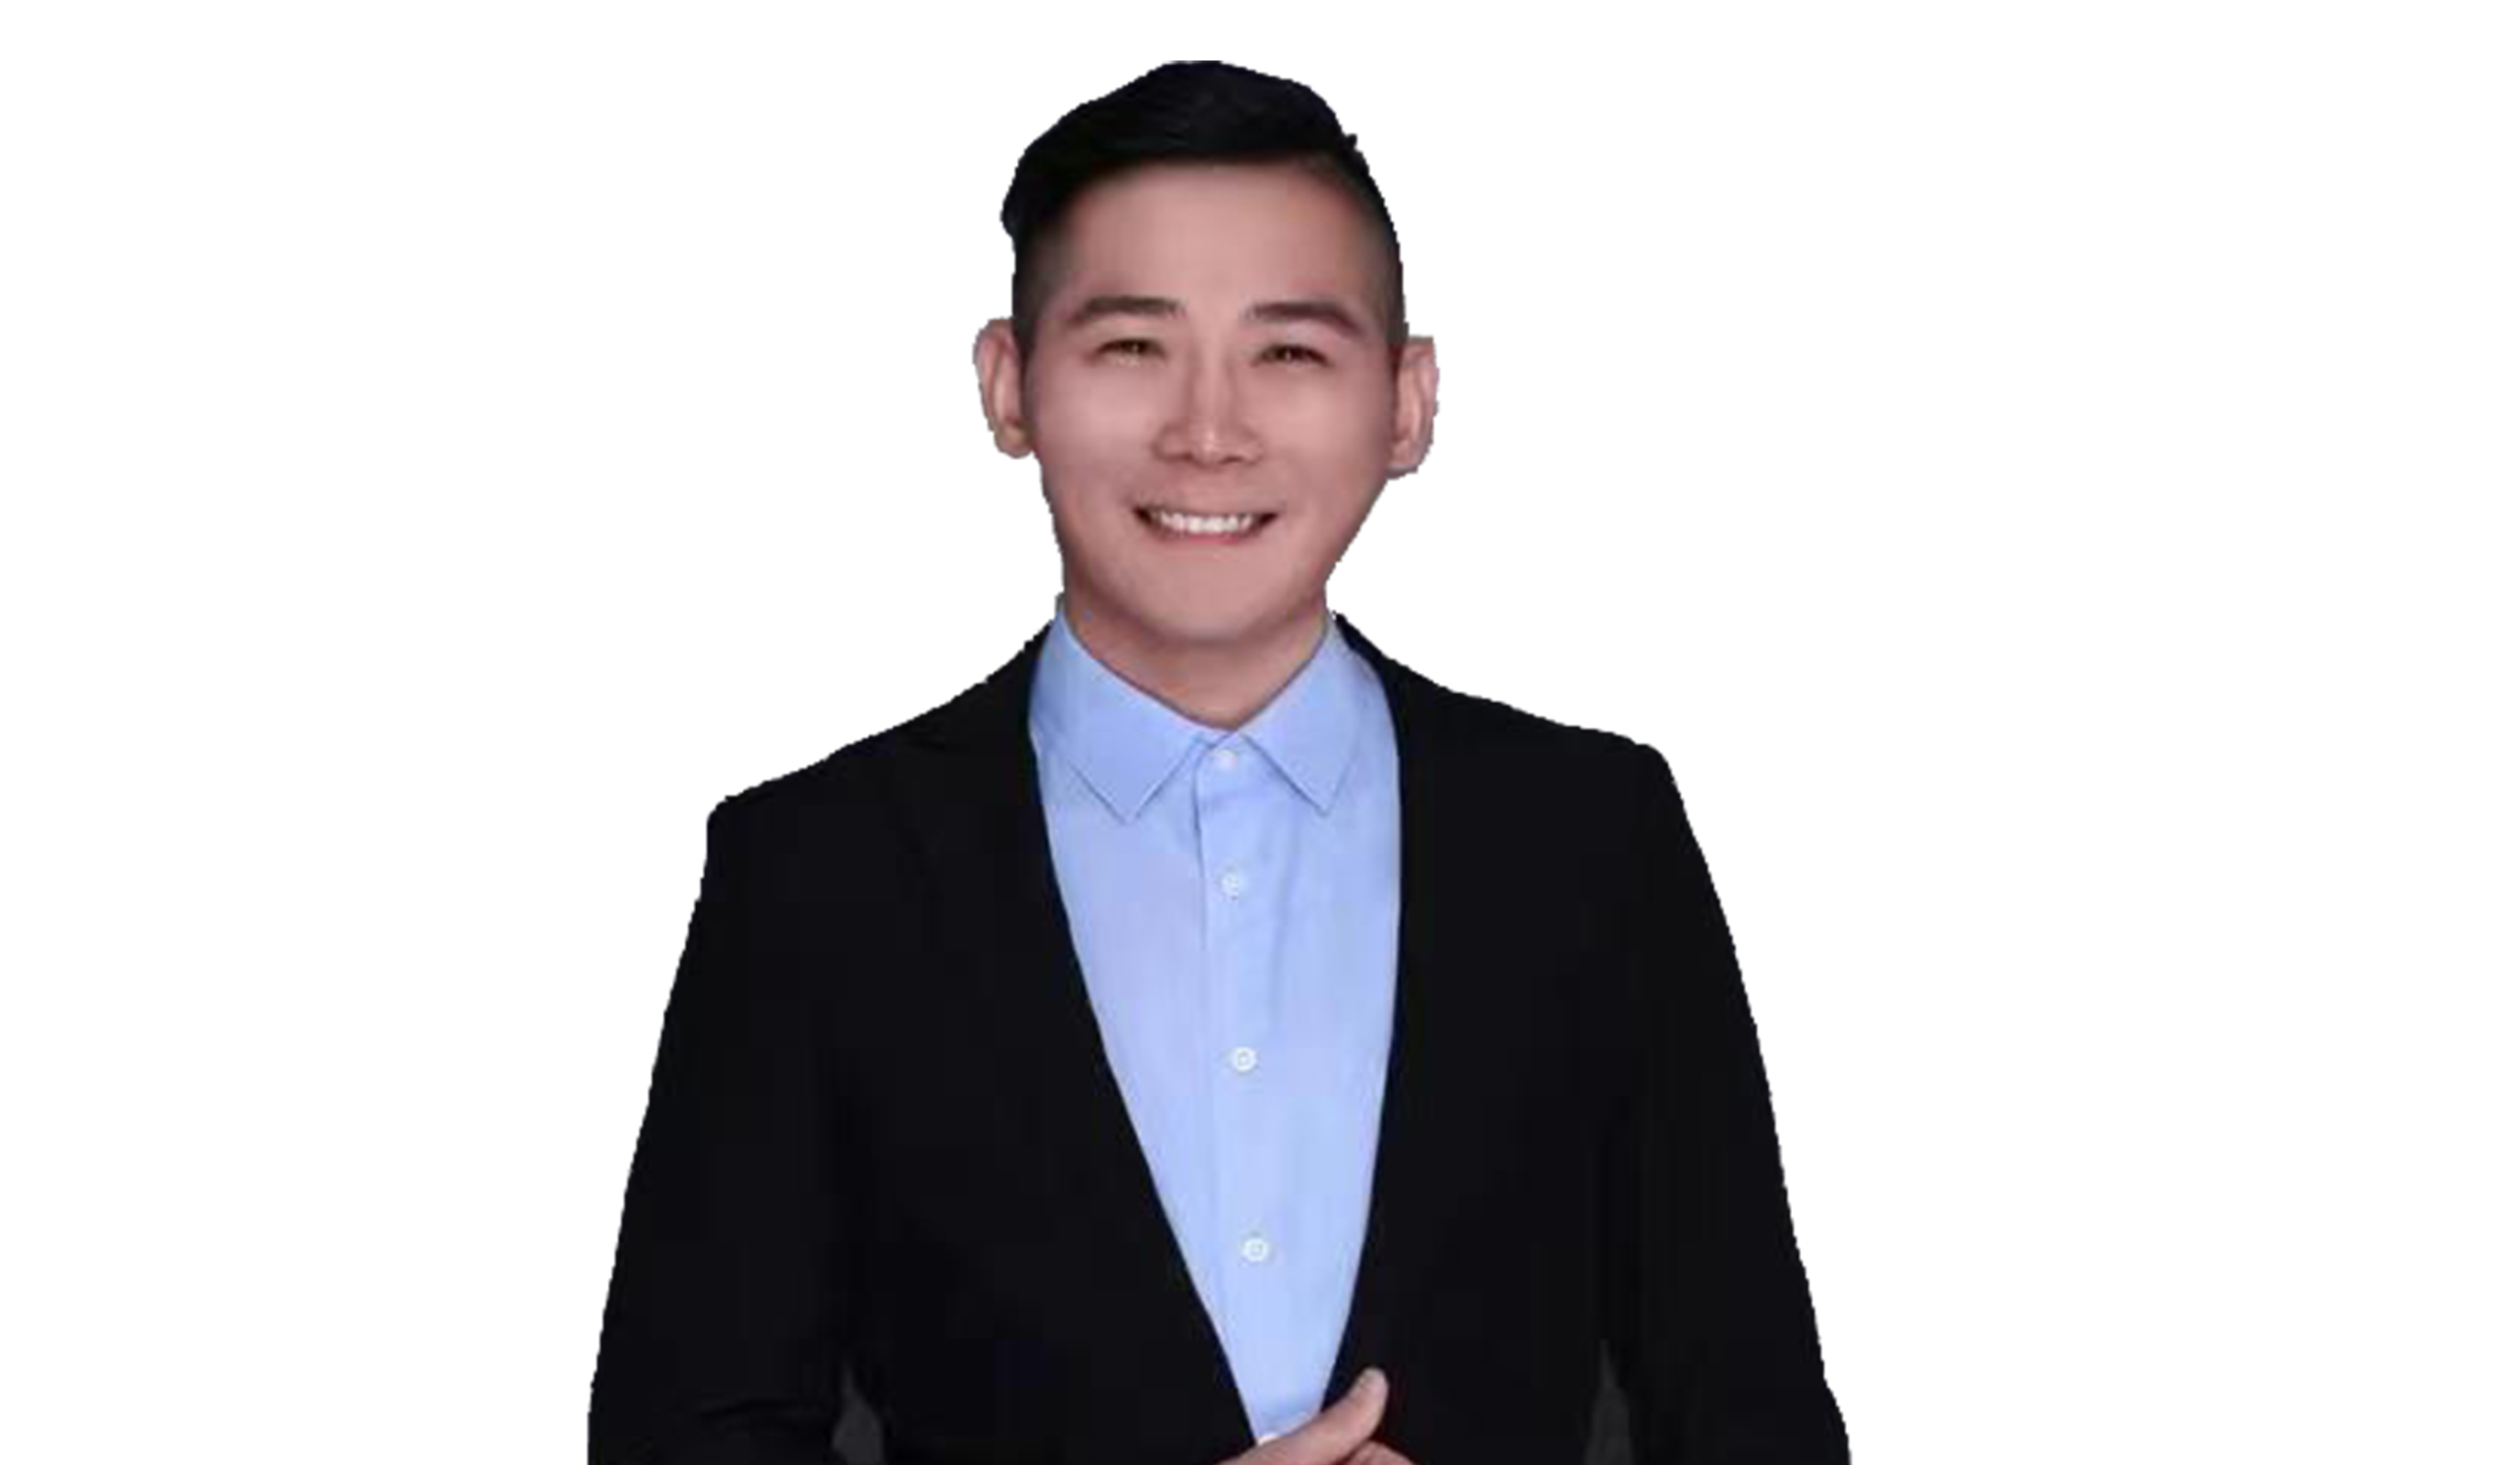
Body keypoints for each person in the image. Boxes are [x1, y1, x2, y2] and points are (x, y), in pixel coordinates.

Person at [589, 60, 1847, 1465]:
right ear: (1008, 384)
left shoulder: (1590, 841)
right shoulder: (816, 872)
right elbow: (680, 1438)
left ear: (1406, 402)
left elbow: (1753, 1419)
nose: (1206, 430)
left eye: (1288, 353)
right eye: (1132, 346)